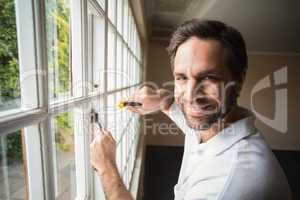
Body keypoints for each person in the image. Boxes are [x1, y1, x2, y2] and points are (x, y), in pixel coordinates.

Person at [90, 19, 292, 200]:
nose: (190, 95)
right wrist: (164, 101)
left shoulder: (229, 184)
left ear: (239, 80)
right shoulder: (213, 125)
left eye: (209, 78)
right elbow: (190, 123)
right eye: (182, 78)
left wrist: (107, 167)